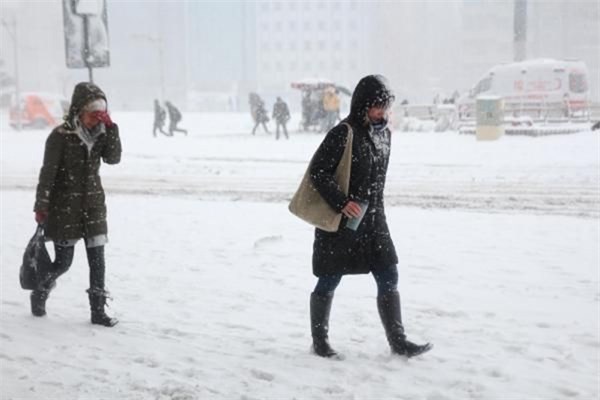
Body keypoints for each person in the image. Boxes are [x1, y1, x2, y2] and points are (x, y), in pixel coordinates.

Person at [308, 75, 432, 358]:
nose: (383, 113)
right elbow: (318, 171)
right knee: (329, 278)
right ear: (363, 105)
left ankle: (398, 341)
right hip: (342, 224)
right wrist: (341, 202)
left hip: (375, 221)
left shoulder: (384, 134)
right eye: (378, 107)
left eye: (386, 107)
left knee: (389, 273)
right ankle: (320, 342)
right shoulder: (344, 133)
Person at [31, 82, 121, 327]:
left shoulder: (102, 133)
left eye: (99, 112)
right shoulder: (60, 136)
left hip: (93, 207)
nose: (96, 118)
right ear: (78, 111)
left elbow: (113, 158)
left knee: (98, 263)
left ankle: (98, 311)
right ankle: (40, 290)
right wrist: (42, 205)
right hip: (65, 209)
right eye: (92, 112)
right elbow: (47, 173)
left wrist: (112, 128)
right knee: (63, 263)